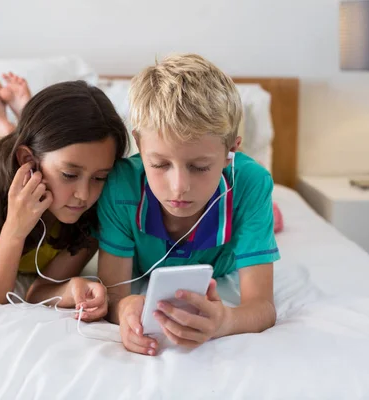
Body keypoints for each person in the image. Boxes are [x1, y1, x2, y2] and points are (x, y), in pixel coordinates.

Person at [96, 54, 280, 355]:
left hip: (238, 218)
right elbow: (115, 295)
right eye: (159, 164)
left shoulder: (251, 183)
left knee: (265, 215)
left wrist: (226, 321)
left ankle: (273, 215)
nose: (179, 187)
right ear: (139, 146)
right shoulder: (120, 186)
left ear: (231, 150)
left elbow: (262, 307)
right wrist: (125, 308)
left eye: (199, 167)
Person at [0, 73, 129, 321]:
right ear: (28, 162)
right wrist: (15, 228)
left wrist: (71, 290)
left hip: (26, 161)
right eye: (70, 174)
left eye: (99, 177)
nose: (84, 195)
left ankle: (12, 136)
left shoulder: (99, 208)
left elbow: (38, 291)